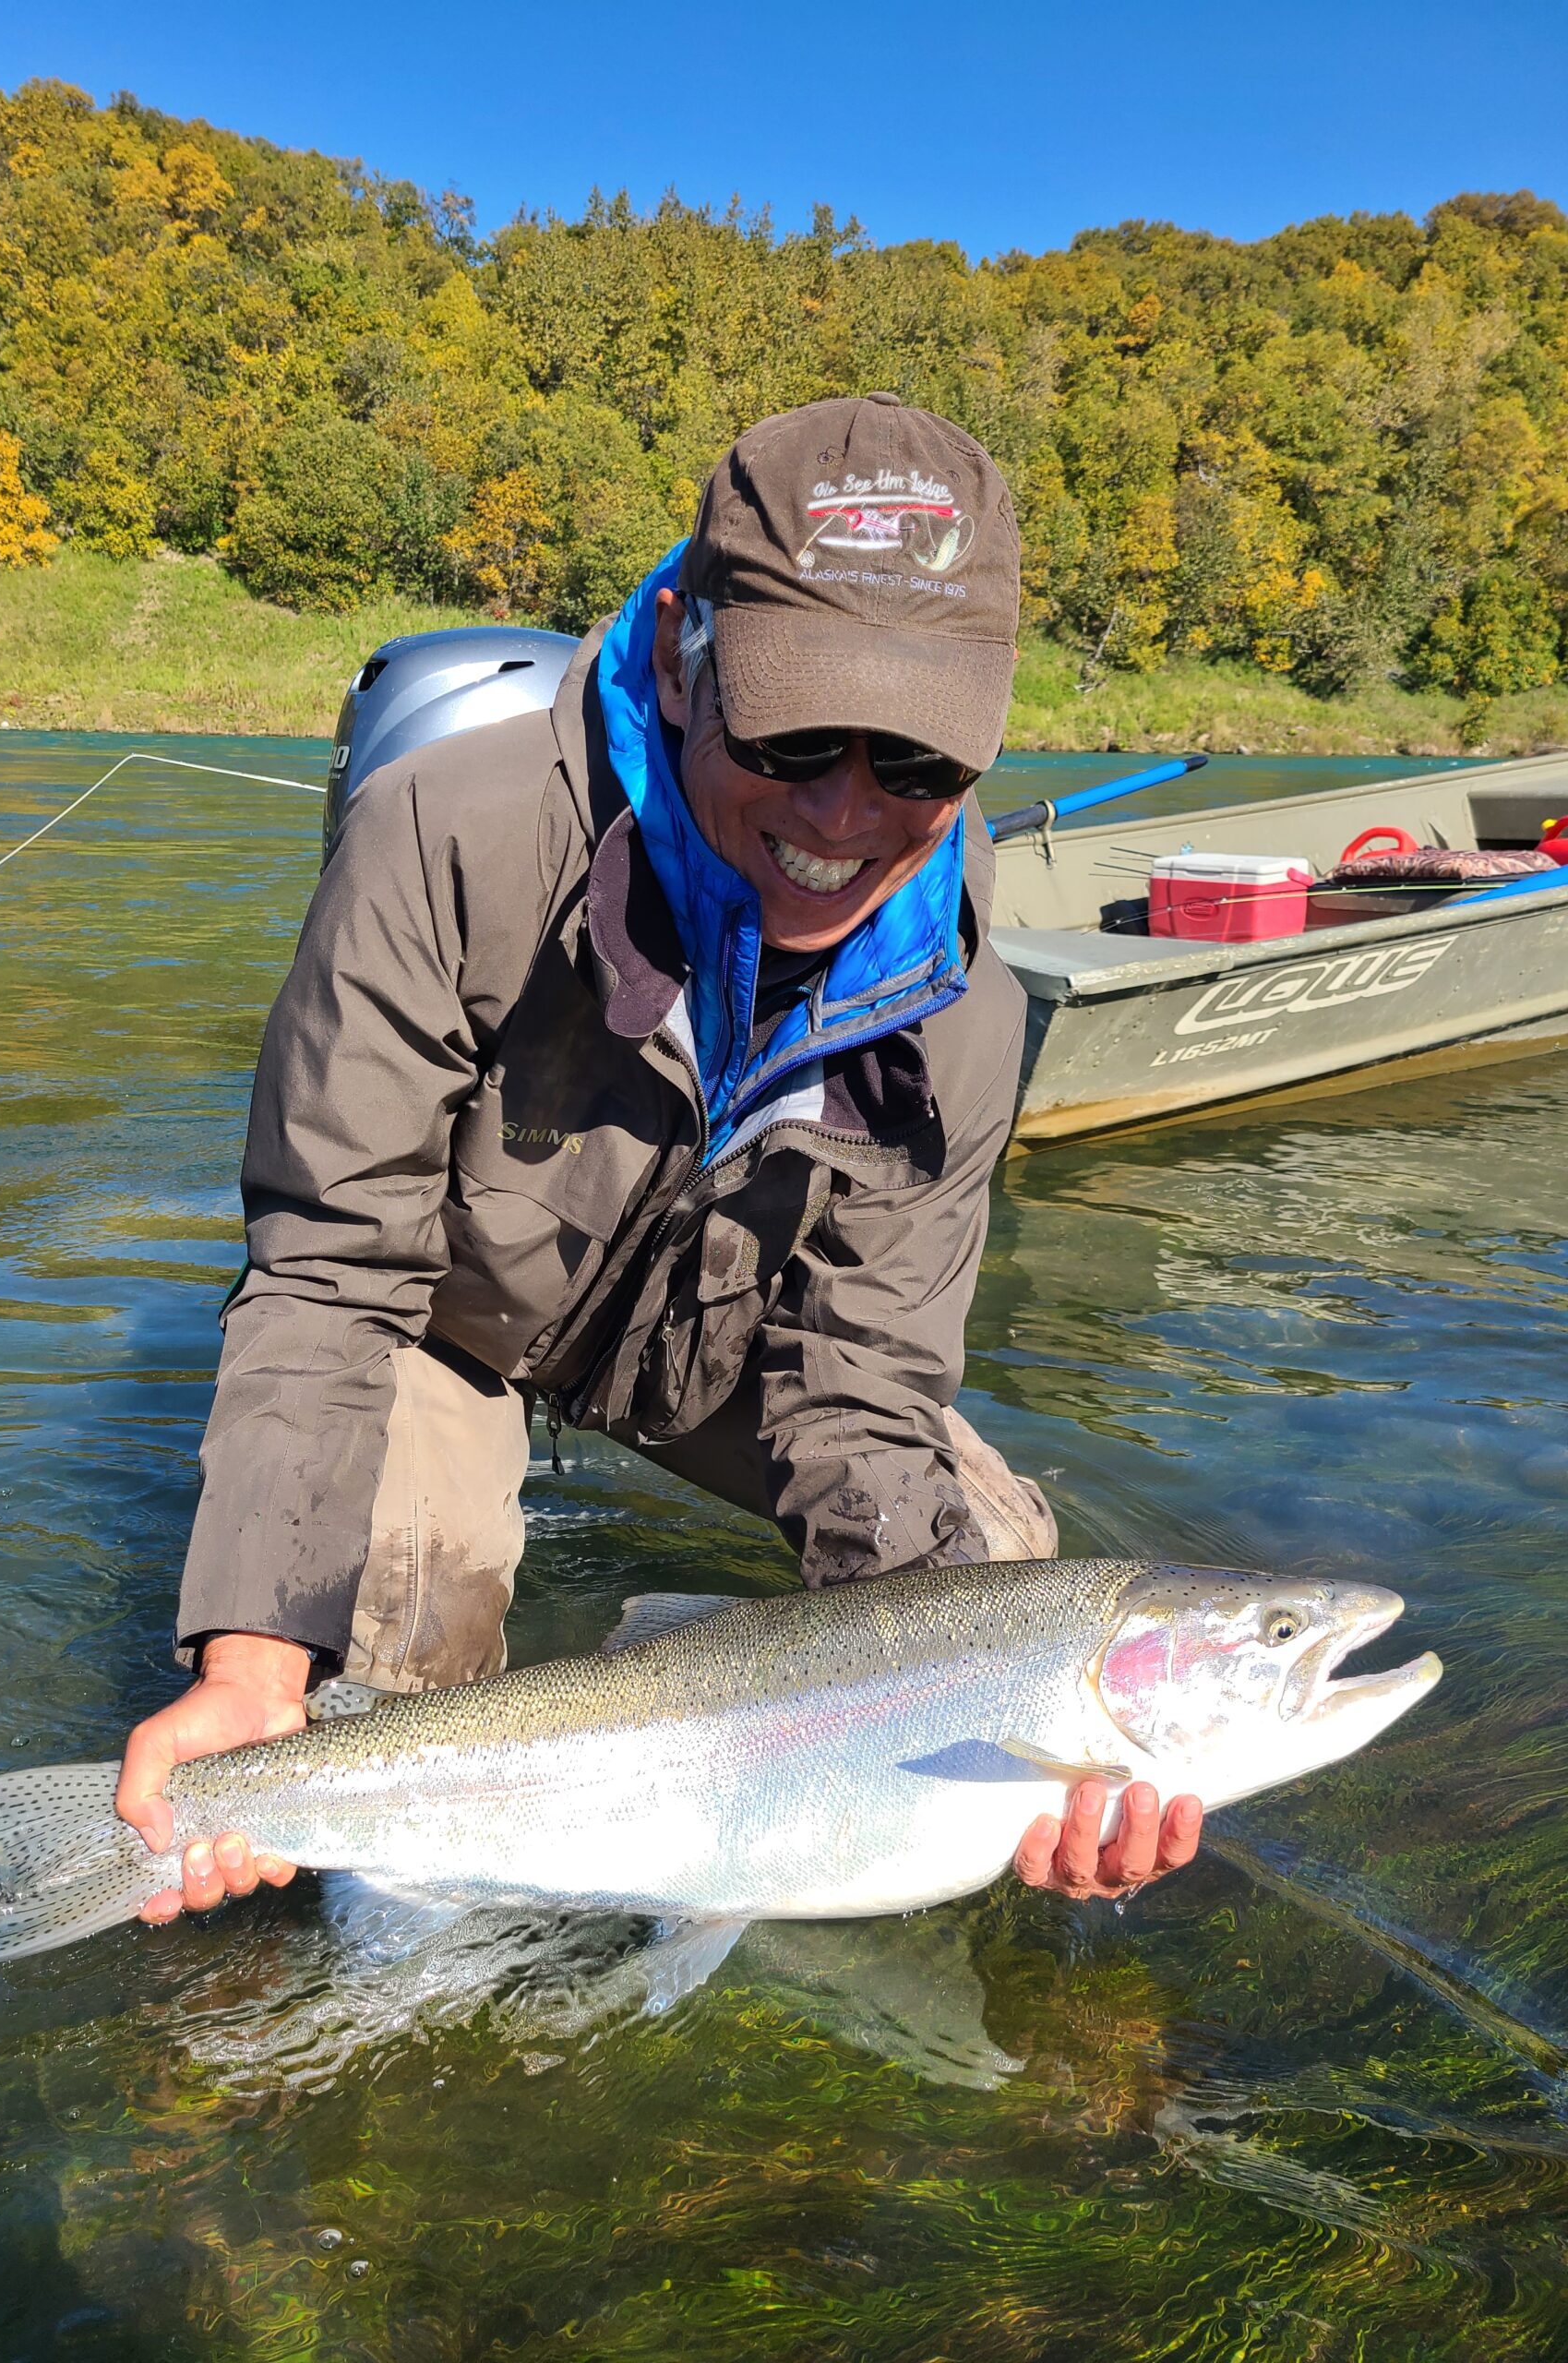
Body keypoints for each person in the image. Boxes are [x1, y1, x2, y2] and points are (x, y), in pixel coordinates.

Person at [116, 394, 1203, 1924]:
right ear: (689, 641)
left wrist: (974, 1743)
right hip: (442, 1321)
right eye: (793, 731)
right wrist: (248, 1665)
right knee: (400, 1639)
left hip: (714, 1355)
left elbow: (867, 1389)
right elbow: (330, 1275)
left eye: (917, 761)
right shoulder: (447, 836)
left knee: (1009, 1577)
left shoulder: (964, 1014)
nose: (843, 813)